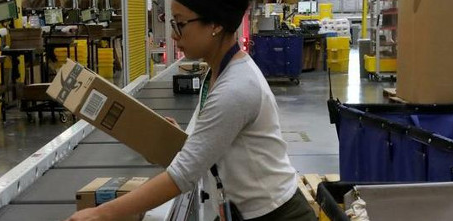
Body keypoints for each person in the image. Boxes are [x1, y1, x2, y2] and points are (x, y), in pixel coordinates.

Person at [66, 0, 317, 220]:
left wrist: (100, 213)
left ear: (215, 25)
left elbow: (182, 176)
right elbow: (216, 145)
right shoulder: (216, 73)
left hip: (275, 215)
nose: (174, 35)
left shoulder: (236, 87)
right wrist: (180, 142)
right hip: (241, 211)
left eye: (180, 24)